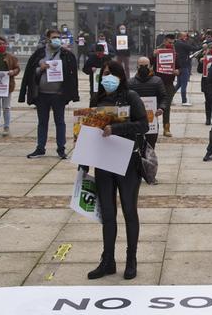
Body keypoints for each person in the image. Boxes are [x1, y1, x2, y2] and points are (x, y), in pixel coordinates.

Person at [85, 61, 148, 281]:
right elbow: (88, 131)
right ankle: (108, 260)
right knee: (108, 214)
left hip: (127, 162)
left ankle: (131, 259)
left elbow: (143, 125)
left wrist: (117, 128)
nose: (107, 77)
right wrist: (84, 164)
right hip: (103, 163)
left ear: (121, 76)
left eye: (111, 74)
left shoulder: (130, 97)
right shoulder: (97, 99)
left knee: (129, 211)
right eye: (104, 74)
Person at [20, 28, 80, 159]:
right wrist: (39, 69)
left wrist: (71, 92)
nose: (57, 39)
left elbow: (72, 75)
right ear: (47, 39)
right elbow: (30, 72)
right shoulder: (40, 54)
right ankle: (40, 148)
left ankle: (61, 148)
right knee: (42, 122)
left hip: (58, 95)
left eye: (58, 37)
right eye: (54, 37)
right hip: (42, 94)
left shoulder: (66, 54)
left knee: (60, 122)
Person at [128, 56, 167, 151]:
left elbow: (164, 97)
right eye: (141, 66)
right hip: (136, 121)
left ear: (150, 66)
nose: (143, 68)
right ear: (137, 67)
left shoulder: (157, 81)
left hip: (152, 120)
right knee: (136, 148)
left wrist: (161, 108)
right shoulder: (130, 82)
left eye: (146, 66)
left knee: (150, 147)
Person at [152, 34, 179, 136]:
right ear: (164, 41)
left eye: (172, 43)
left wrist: (177, 71)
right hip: (156, 84)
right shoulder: (157, 51)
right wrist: (154, 55)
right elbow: (148, 63)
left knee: (166, 107)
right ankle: (153, 127)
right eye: (169, 42)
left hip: (169, 85)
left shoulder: (174, 53)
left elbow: (179, 67)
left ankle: (166, 128)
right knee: (154, 106)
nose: (171, 44)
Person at [173, 32, 201, 106]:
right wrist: (202, 46)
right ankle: (184, 101)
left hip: (179, 66)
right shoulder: (181, 44)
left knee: (179, 84)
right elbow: (193, 48)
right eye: (185, 36)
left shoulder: (177, 43)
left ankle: (169, 98)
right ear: (180, 37)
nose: (186, 38)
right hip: (184, 66)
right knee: (184, 84)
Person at [198, 42, 212, 126]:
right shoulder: (204, 58)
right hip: (207, 83)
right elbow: (199, 71)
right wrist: (201, 62)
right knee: (208, 101)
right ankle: (208, 118)